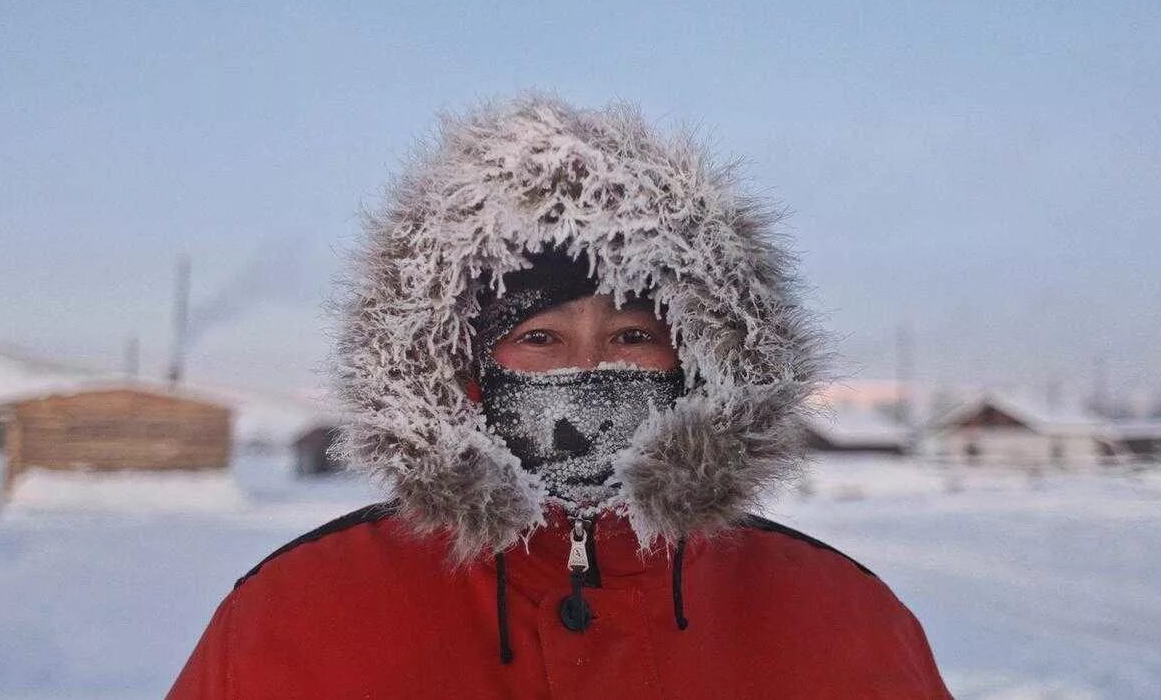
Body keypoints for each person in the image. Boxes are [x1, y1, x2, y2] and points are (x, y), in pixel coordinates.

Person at [167, 93, 951, 698]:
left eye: (632, 337)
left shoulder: (842, 620)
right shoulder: (297, 613)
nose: (590, 373)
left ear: (699, 365)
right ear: (463, 368)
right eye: (540, 338)